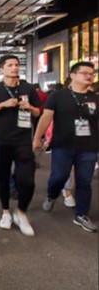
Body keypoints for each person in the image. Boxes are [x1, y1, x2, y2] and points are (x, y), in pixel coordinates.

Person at [0, 55, 41, 236]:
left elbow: (38, 112)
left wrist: (30, 107)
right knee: (2, 179)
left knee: (27, 180)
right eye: (10, 65)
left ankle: (21, 212)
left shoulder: (28, 88)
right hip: (0, 141)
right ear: (2, 69)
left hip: (23, 141)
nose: (14, 67)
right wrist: (3, 104)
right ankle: (5, 211)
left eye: (16, 64)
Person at [34, 62, 98, 233]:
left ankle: (81, 214)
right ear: (73, 75)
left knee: (84, 181)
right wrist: (37, 138)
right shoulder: (58, 96)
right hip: (63, 144)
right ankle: (52, 195)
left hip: (89, 146)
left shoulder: (95, 98)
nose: (89, 76)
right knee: (59, 176)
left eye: (92, 73)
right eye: (85, 73)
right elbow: (46, 117)